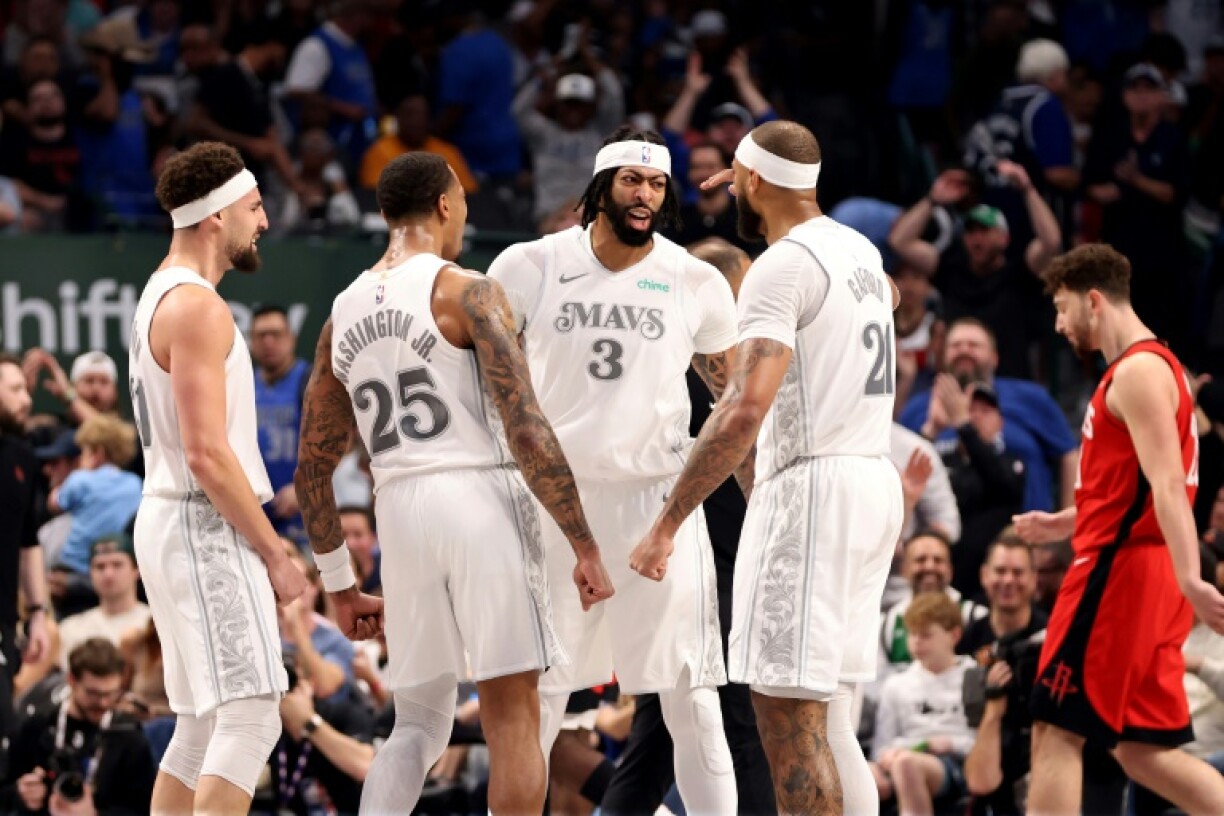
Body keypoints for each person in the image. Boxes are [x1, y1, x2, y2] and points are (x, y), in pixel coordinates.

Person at [292, 151, 614, 815]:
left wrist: (342, 587)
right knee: (512, 720)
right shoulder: (466, 290)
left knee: (417, 724)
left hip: (399, 511)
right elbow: (528, 430)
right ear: (444, 204)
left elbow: (311, 467)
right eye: (462, 202)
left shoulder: (340, 313)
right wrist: (582, 540)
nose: (464, 215)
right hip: (478, 501)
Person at [630, 120, 904, 814]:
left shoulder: (779, 266)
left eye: (737, 176)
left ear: (752, 180)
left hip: (814, 487)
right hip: (872, 479)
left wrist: (667, 522)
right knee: (832, 713)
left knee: (784, 714)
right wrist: (757, 172)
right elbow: (889, 298)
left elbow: (743, 410)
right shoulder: (860, 252)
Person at [487, 126, 739, 814]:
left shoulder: (695, 280)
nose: (645, 195)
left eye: (657, 184)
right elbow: (488, 384)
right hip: (553, 504)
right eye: (632, 180)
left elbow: (737, 400)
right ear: (600, 189)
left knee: (691, 695)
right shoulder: (528, 265)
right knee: (535, 697)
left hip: (655, 504)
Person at [128, 141, 310, 815]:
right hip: (201, 521)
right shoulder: (198, 307)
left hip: (169, 514)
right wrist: (274, 552)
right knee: (254, 712)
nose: (262, 221)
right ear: (216, 216)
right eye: (255, 206)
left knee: (204, 722)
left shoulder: (157, 294)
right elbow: (207, 455)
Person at [1016, 243, 1224, 815]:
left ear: (1092, 301)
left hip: (1122, 573)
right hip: (1142, 571)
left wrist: (1191, 578)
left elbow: (1166, 486)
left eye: (1062, 309)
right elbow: (1131, 487)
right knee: (1141, 749)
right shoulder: (1161, 366)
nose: (1059, 325)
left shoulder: (1135, 373)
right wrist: (1065, 519)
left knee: (1055, 729)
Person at [598, 238, 776, 815]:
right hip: (709, 561)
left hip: (673, 552)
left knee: (660, 728)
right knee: (738, 720)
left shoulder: (664, 355)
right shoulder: (721, 364)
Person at [1, 638, 156, 815]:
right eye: (93, 693)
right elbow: (5, 791)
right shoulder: (37, 727)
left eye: (111, 693)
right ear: (72, 681)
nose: (103, 703)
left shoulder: (128, 735)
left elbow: (144, 809)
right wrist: (21, 794)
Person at [871, 592, 976, 815]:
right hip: (903, 757)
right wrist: (885, 757)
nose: (916, 641)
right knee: (865, 773)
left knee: (906, 765)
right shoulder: (896, 684)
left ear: (954, 635)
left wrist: (948, 743)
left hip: (955, 765)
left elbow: (981, 743)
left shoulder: (973, 676)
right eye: (912, 634)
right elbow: (881, 746)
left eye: (926, 635)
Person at [0, 353, 49, 779]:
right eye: (14, 390)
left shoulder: (21, 456)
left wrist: (37, 613)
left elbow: (28, 541)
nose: (26, 400)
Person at [250, 304, 311, 548]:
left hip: (301, 516)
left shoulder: (309, 380)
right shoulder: (241, 383)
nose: (268, 342)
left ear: (292, 339)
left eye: (276, 334)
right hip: (255, 515)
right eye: (260, 335)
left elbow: (339, 443)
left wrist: (304, 485)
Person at [56, 533, 150, 669]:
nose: (108, 574)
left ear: (136, 570)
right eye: (100, 567)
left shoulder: (153, 624)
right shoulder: (69, 629)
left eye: (117, 565)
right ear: (90, 573)